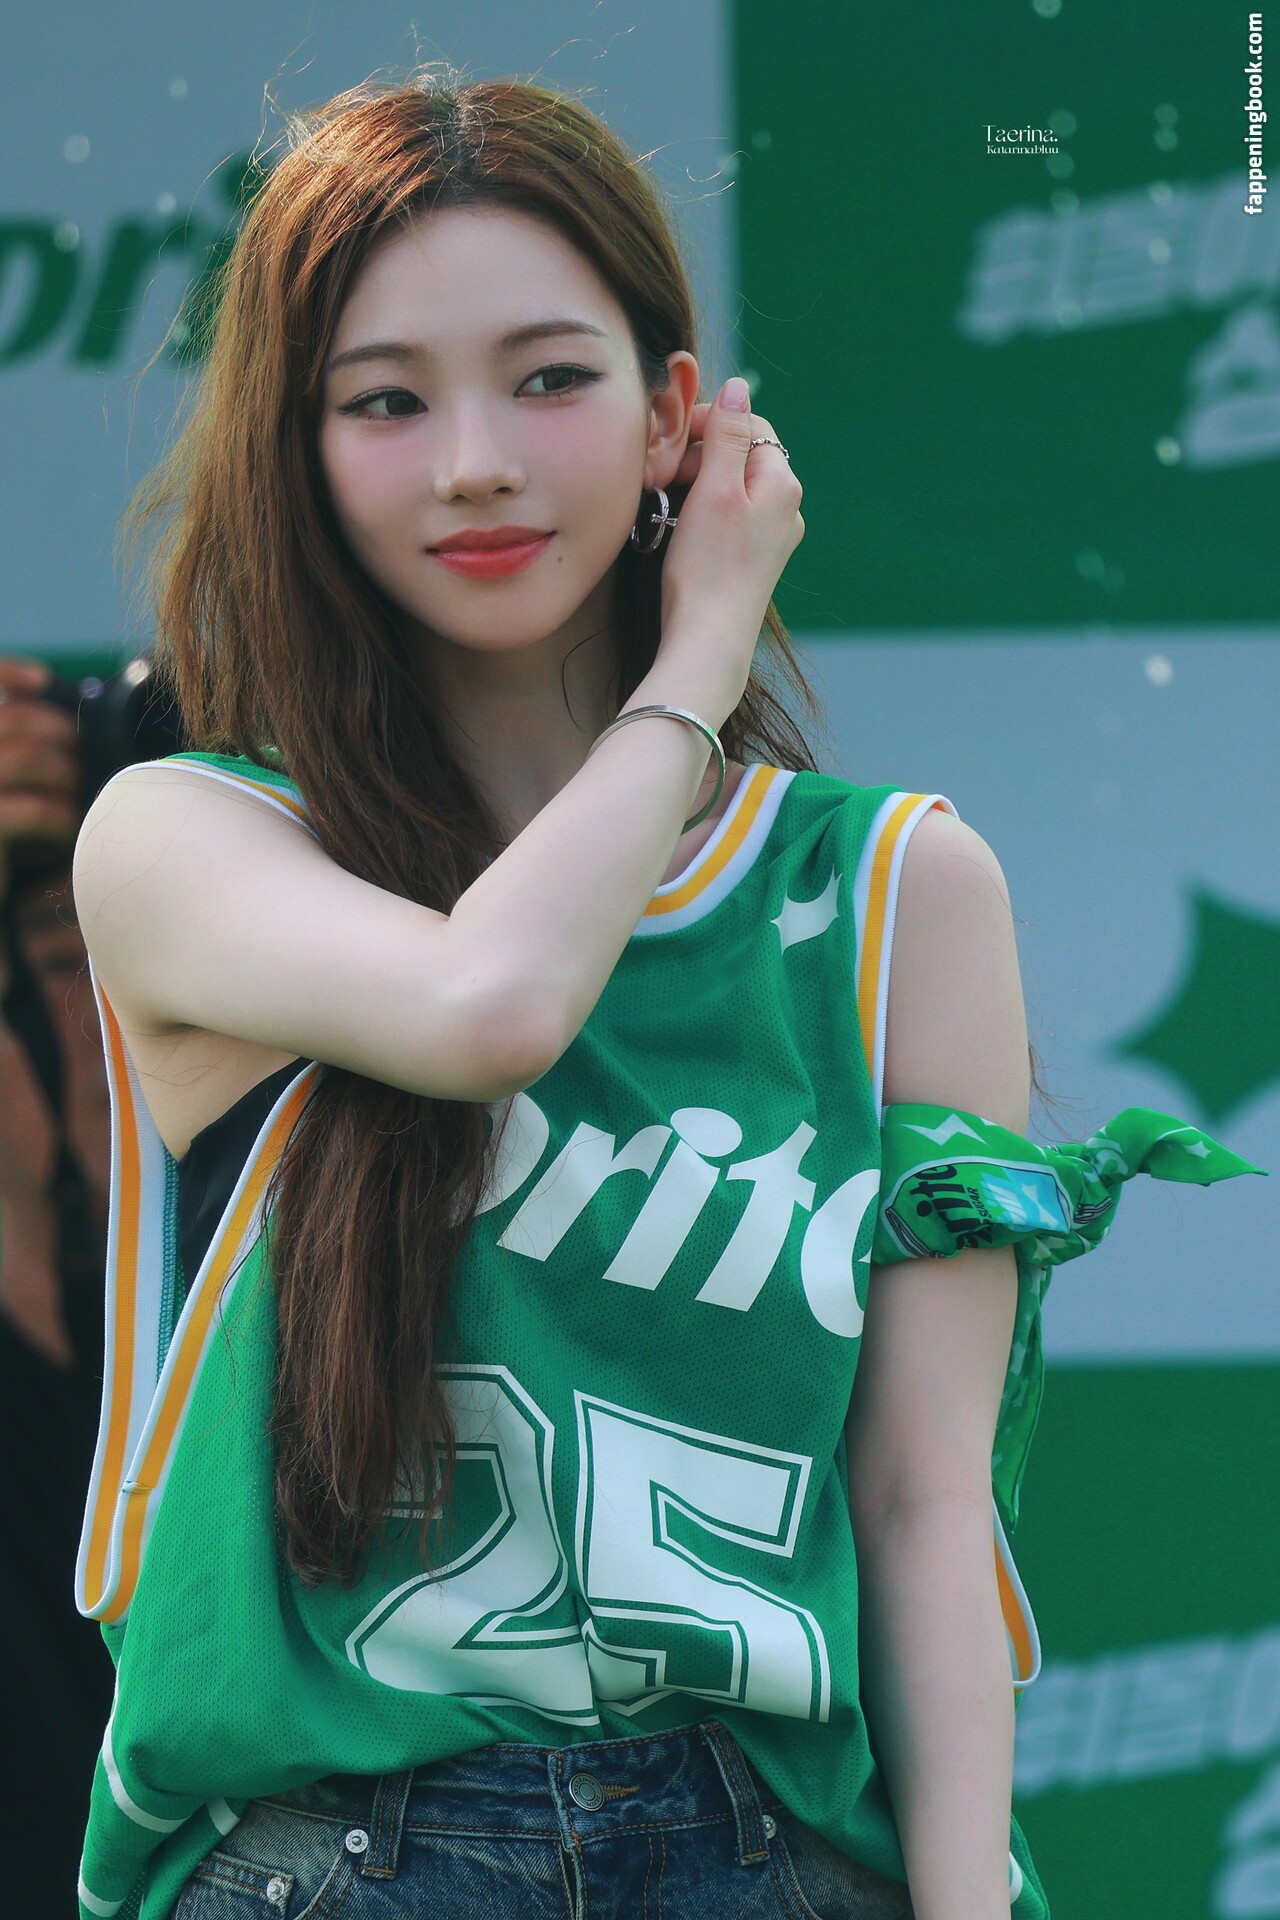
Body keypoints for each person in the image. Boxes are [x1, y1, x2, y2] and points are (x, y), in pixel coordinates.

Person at [67, 68, 1261, 1920]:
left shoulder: (895, 894)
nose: (476, 460)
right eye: (386, 401)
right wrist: (701, 646)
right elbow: (490, 1009)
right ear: (298, 454)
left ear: (673, 419)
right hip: (337, 1858)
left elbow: (923, 1504)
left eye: (550, 379)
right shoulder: (189, 837)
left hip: (768, 1850)